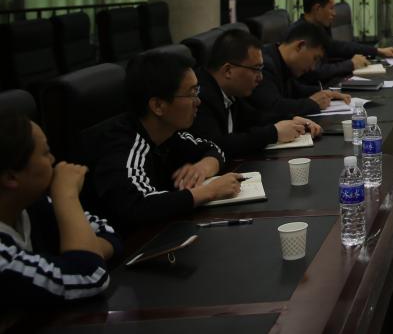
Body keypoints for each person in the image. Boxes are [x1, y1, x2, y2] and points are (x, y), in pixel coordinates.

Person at [86, 51, 242, 234]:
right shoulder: (124, 145)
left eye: (197, 91)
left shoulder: (169, 134)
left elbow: (214, 148)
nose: (198, 101)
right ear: (158, 106)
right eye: (191, 93)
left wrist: (203, 167)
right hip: (127, 244)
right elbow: (139, 205)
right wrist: (210, 191)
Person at [1, 113, 121, 305]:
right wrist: (67, 195)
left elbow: (107, 232)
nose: (53, 159)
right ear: (11, 177)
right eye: (45, 153)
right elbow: (89, 275)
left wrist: (84, 254)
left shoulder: (31, 206)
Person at [191, 29, 322, 160]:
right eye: (256, 69)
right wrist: (274, 133)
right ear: (228, 70)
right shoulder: (198, 96)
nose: (260, 77)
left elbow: (256, 118)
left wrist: (293, 120)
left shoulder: (230, 92)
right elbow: (216, 146)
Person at [293, 0, 393, 83]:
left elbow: (339, 47)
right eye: (331, 8)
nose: (334, 13)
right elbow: (313, 73)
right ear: (317, 9)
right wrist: (350, 64)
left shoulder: (317, 28)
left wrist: (377, 51)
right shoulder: (299, 35)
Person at [250, 22, 349, 121]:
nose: (313, 68)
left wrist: (326, 93)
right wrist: (312, 103)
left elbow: (296, 90)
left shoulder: (281, 61)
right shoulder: (264, 65)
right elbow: (272, 108)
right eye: (315, 58)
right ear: (300, 46)